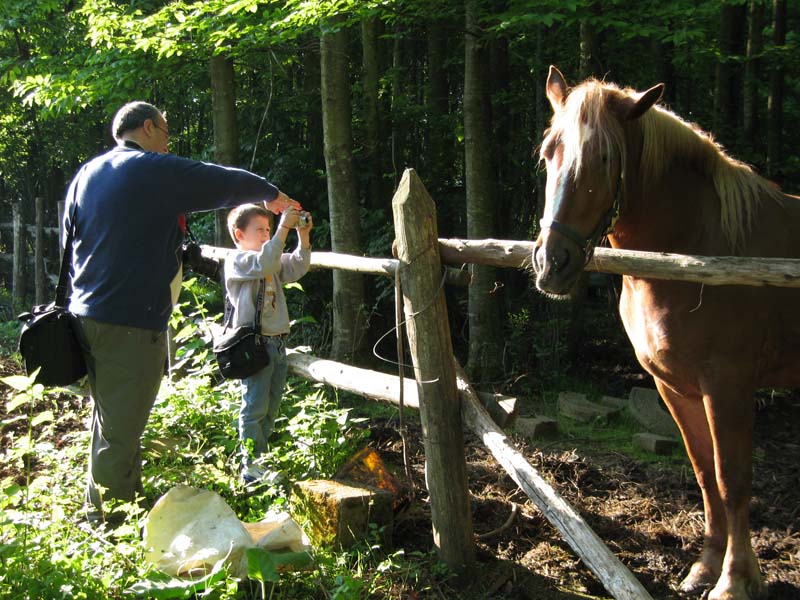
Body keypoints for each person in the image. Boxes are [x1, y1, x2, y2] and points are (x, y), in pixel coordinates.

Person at [64, 101, 300, 525]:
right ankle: (109, 524)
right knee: (120, 428)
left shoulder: (87, 174)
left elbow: (72, 241)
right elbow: (221, 182)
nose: (169, 142)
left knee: (113, 416)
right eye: (167, 132)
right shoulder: (149, 168)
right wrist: (272, 195)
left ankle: (117, 503)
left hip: (86, 314)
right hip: (128, 322)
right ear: (149, 127)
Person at [224, 203, 312, 484]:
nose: (266, 235)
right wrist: (284, 227)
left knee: (271, 407)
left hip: (276, 344)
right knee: (254, 407)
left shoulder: (269, 259)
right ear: (239, 235)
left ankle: (262, 462)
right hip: (254, 346)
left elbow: (297, 266)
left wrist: (303, 235)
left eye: (269, 229)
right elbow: (266, 263)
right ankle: (250, 467)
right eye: (260, 230)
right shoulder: (239, 261)